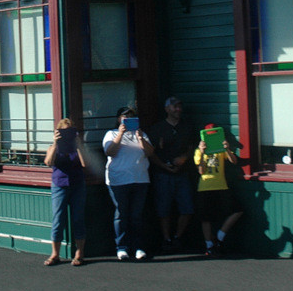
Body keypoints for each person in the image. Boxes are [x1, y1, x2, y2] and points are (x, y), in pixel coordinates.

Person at [103, 107, 154, 261]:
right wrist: (120, 134)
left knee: (137, 215)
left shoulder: (142, 134)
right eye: (124, 117)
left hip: (140, 179)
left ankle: (138, 247)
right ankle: (122, 247)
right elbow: (110, 152)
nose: (127, 120)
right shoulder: (111, 134)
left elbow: (150, 152)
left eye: (131, 117)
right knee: (121, 214)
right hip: (119, 180)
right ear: (118, 119)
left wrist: (140, 138)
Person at [147, 97, 195, 253]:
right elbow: (151, 153)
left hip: (182, 173)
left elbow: (192, 147)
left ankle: (177, 237)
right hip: (163, 174)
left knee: (187, 208)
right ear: (167, 109)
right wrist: (164, 166)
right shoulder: (158, 128)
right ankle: (166, 239)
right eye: (174, 107)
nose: (178, 109)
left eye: (179, 106)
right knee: (164, 209)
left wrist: (184, 158)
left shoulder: (186, 127)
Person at [194, 124, 243, 257]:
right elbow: (201, 171)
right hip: (205, 187)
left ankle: (219, 237)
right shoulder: (198, 151)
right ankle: (209, 246)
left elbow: (234, 161)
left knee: (237, 210)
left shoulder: (220, 150)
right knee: (206, 218)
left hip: (221, 186)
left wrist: (227, 149)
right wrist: (202, 152)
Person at [43, 118, 87, 266]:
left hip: (77, 184)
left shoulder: (77, 148)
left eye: (69, 131)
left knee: (78, 219)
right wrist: (56, 143)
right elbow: (49, 162)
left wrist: (78, 144)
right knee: (58, 219)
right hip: (59, 184)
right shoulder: (53, 147)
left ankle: (79, 253)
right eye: (64, 132)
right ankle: (55, 254)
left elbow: (84, 163)